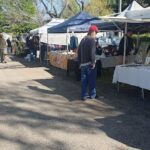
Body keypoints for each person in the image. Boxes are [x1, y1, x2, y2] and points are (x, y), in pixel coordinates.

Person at [78, 25, 99, 100]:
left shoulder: (83, 39)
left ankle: (83, 96)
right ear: (92, 32)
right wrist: (93, 62)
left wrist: (79, 63)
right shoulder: (92, 40)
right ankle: (93, 95)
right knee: (92, 80)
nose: (96, 34)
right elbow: (92, 53)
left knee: (84, 81)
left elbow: (79, 52)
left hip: (83, 64)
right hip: (89, 64)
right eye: (96, 32)